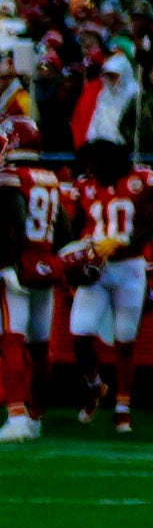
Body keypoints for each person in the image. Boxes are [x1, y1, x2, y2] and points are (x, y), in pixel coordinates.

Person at [63, 137, 153, 428]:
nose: (93, 173)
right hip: (98, 268)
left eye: (97, 166)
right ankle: (95, 384)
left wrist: (122, 243)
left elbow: (150, 225)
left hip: (130, 267)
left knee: (125, 339)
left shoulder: (140, 180)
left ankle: (123, 406)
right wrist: (79, 251)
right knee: (80, 334)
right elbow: (76, 225)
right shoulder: (86, 186)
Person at [0, 117, 65, 439]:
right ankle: (36, 414)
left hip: (18, 265)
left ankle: (16, 417)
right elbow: (64, 230)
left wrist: (8, 262)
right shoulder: (51, 178)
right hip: (47, 264)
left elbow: (14, 221)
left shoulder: (13, 176)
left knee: (10, 340)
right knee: (40, 346)